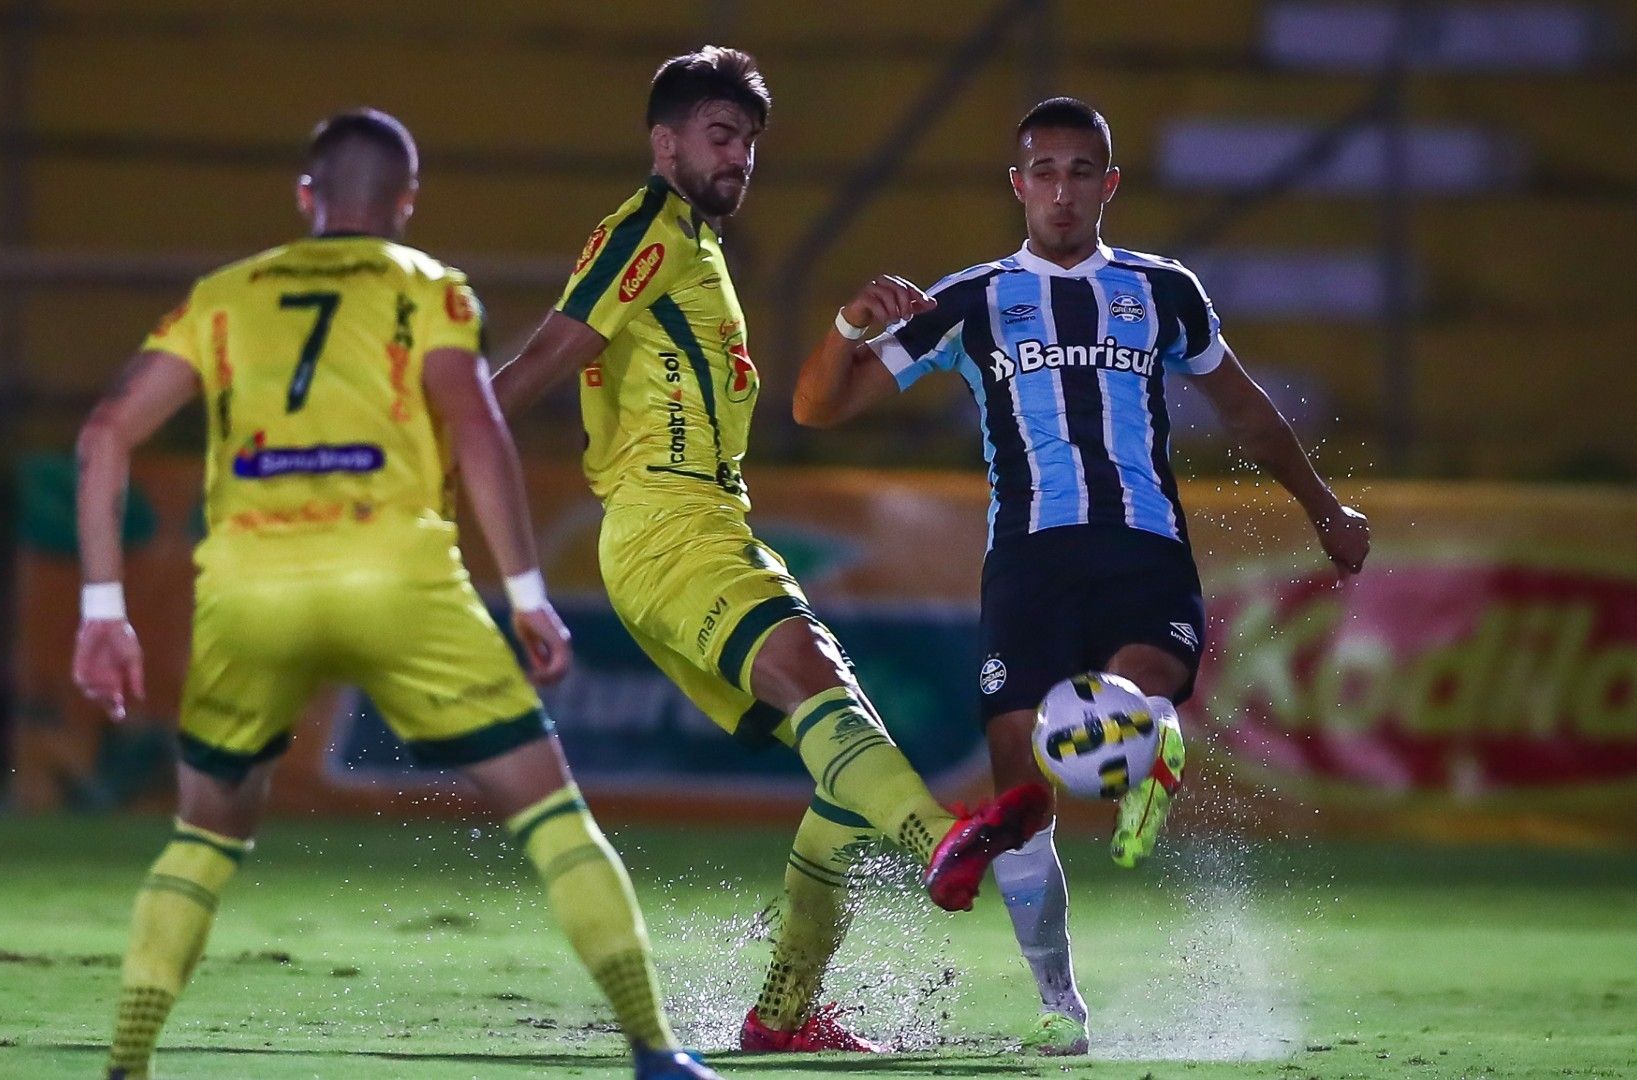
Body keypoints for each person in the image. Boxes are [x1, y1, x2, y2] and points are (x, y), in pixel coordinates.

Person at [71, 109, 718, 1080]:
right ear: (406, 204)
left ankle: (126, 1065)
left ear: (306, 197)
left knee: (205, 836)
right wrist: (529, 593)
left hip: (253, 588)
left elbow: (104, 435)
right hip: (397, 578)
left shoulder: (223, 295)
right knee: (551, 816)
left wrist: (102, 612)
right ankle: (655, 1053)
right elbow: (478, 426)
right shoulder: (430, 290)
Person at [492, 47, 1050, 1055]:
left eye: (748, 140)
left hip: (704, 525)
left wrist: (843, 324)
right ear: (664, 142)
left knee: (845, 749)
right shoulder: (646, 233)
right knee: (811, 675)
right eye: (719, 135)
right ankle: (937, 841)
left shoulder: (700, 252)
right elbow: (546, 357)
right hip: (669, 525)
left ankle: (782, 1013)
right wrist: (444, 449)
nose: (739, 155)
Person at [791, 97, 1372, 1055]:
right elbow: (818, 407)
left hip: (1141, 545)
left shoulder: (1162, 290)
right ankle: (1060, 1008)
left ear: (1110, 184)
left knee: (1123, 694)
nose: (1062, 191)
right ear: (1018, 185)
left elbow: (1246, 411)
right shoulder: (968, 302)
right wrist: (848, 322)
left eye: (1080, 171)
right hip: (1027, 562)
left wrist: (1324, 507)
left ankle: (1149, 735)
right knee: (1024, 794)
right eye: (1043, 171)